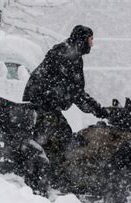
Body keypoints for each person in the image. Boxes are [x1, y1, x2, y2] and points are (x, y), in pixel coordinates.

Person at [22, 25, 109, 173]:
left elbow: (74, 91)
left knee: (58, 139)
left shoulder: (69, 52)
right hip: (42, 105)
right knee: (65, 141)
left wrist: (96, 109)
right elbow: (76, 92)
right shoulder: (68, 56)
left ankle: (52, 175)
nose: (92, 44)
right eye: (90, 39)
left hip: (44, 103)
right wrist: (99, 111)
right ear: (82, 40)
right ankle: (56, 179)